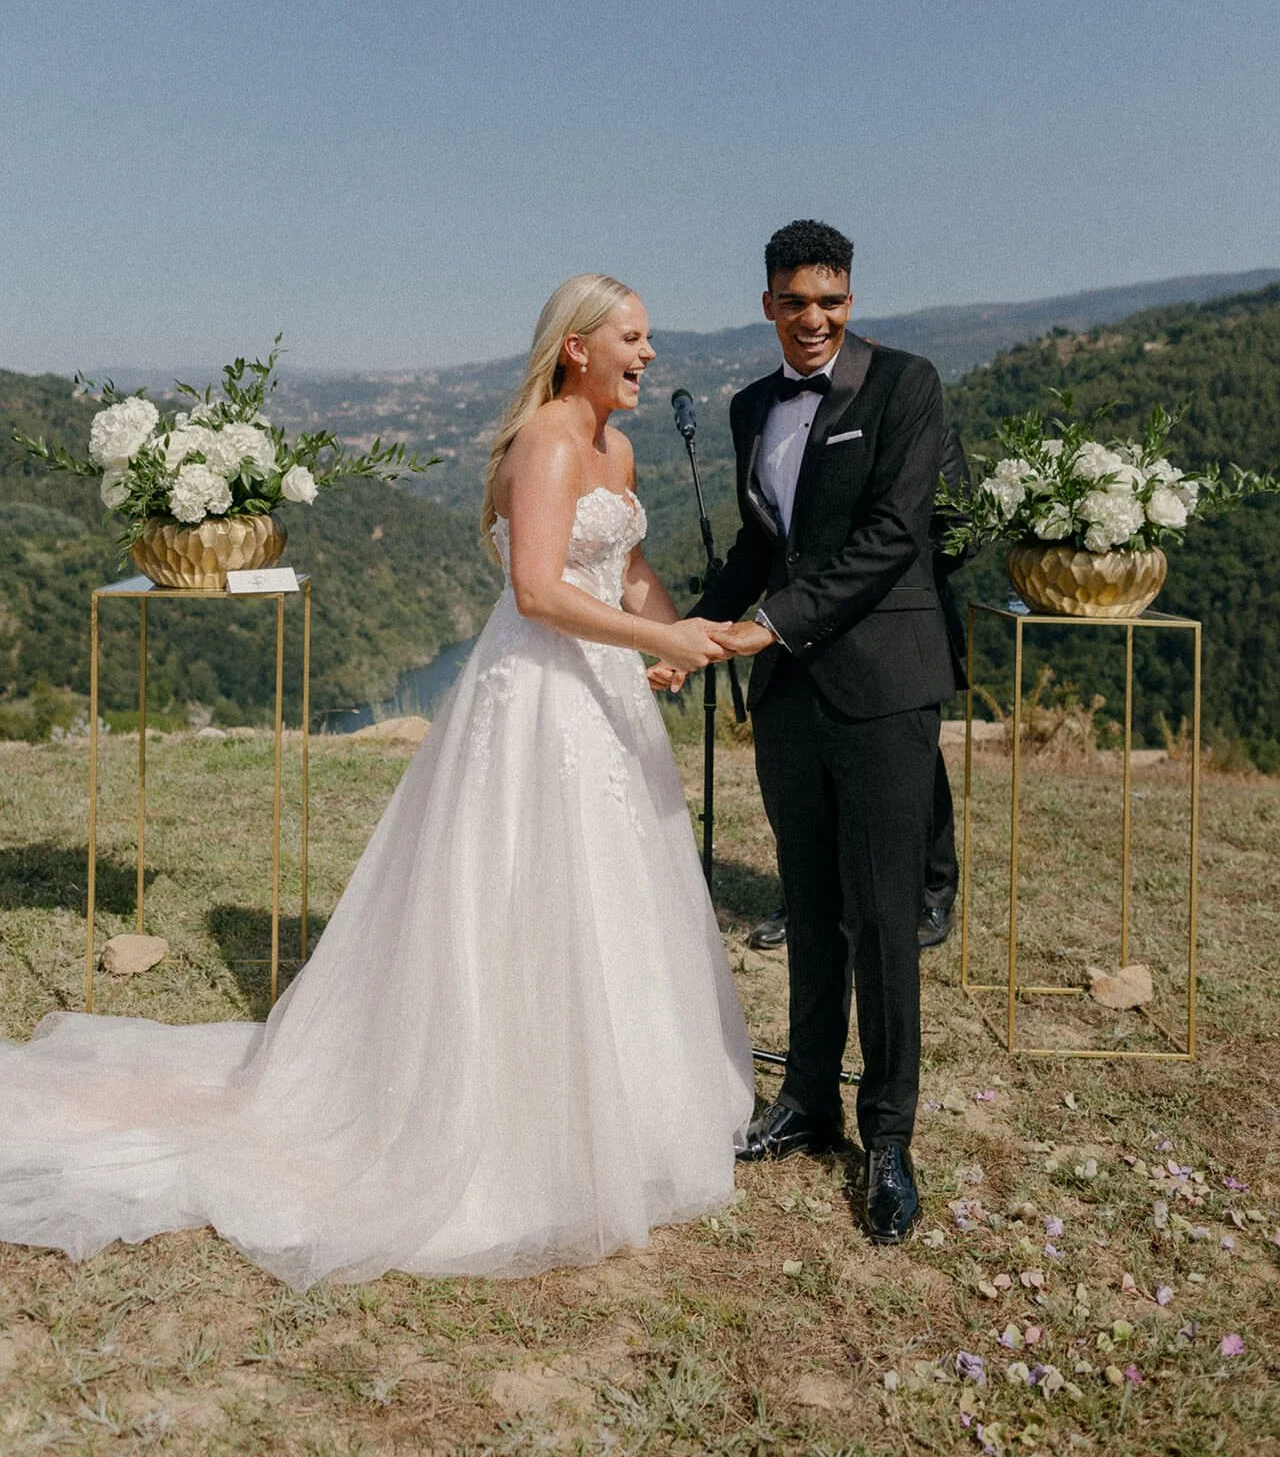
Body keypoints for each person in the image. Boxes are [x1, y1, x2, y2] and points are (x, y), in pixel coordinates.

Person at [0, 276, 754, 1288]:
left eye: (648, 337)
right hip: (539, 694)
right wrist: (652, 639)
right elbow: (537, 591)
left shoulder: (614, 449)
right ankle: (504, 1120)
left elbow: (628, 570)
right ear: (576, 348)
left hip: (603, 691)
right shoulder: (541, 444)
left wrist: (679, 631)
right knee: (524, 885)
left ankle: (623, 1110)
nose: (648, 353)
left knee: (615, 889)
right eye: (632, 337)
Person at [697, 220, 957, 1245]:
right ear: (767, 303)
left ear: (851, 299)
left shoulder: (905, 386)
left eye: (832, 301)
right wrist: (687, 633)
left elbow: (894, 537)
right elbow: (761, 547)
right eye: (796, 302)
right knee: (808, 905)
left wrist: (770, 624)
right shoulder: (747, 407)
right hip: (789, 695)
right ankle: (806, 1099)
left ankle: (887, 1136)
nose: (815, 320)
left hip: (885, 687)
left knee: (882, 916)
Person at [749, 422, 974, 955]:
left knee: (916, 771)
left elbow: (961, 531)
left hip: (893, 633)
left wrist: (887, 578)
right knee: (809, 775)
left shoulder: (919, 415)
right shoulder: (785, 421)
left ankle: (931, 892)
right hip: (804, 624)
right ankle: (807, 899)